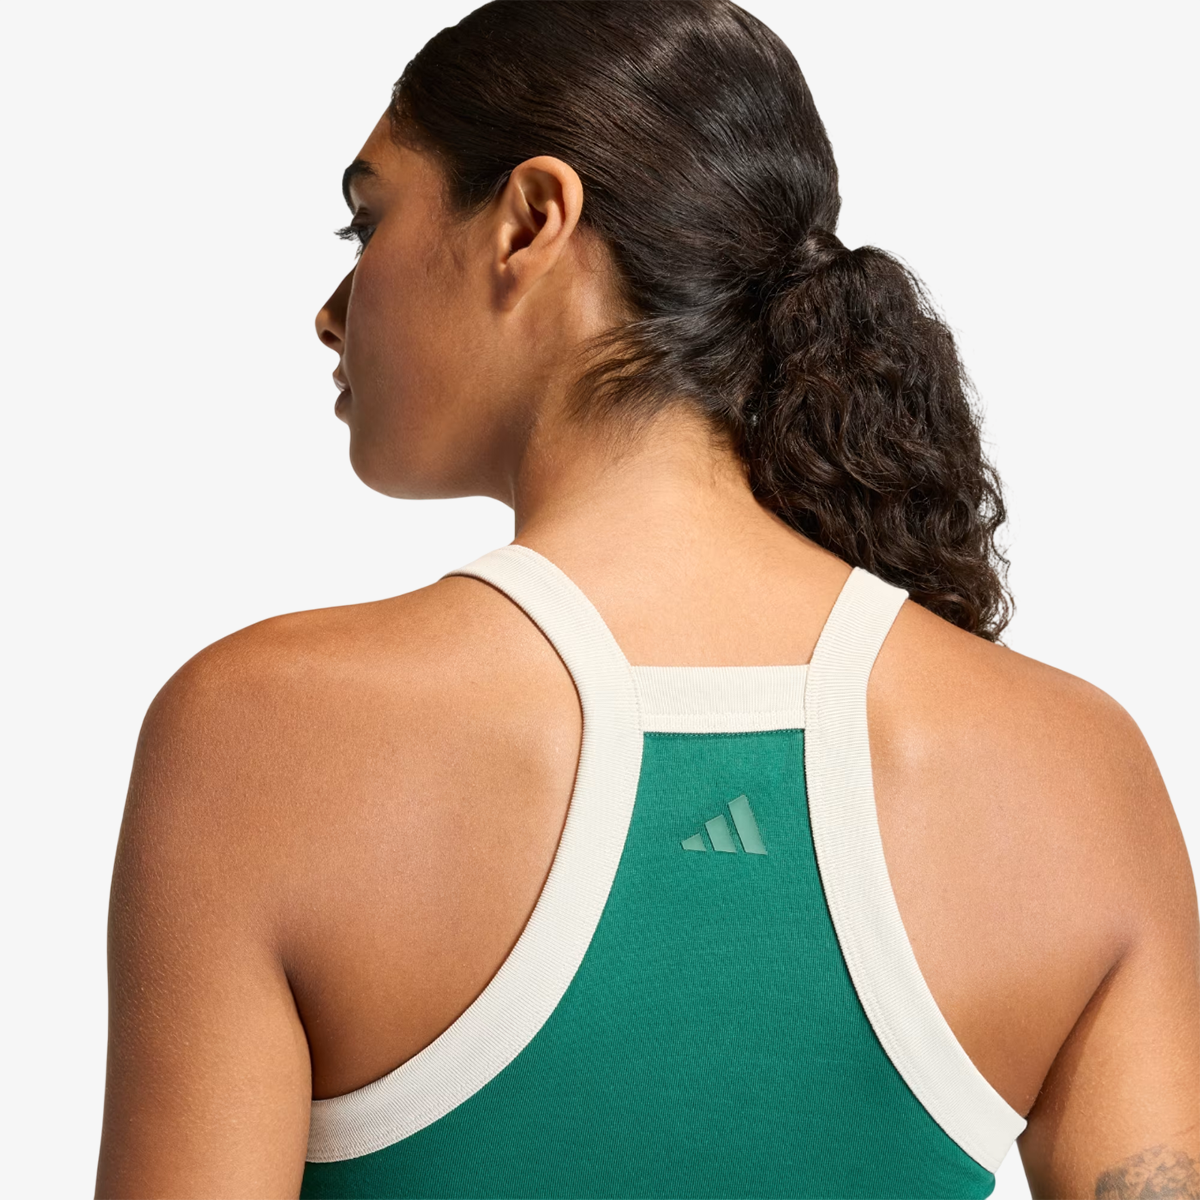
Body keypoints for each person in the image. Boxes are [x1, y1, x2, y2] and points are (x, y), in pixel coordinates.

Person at [94, 2, 1198, 1197]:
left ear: (531, 220)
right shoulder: (1076, 770)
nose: (332, 308)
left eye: (367, 221)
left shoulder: (265, 735)